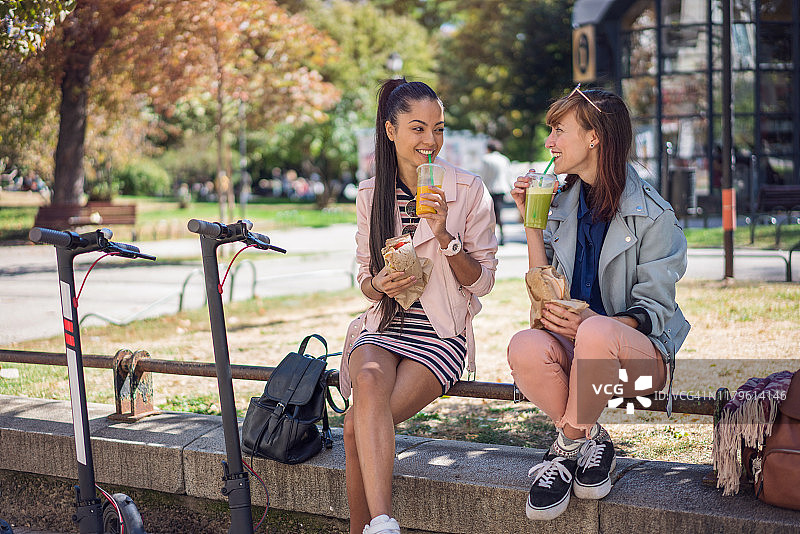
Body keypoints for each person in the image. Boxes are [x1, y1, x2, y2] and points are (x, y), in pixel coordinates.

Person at [506, 86, 690, 521]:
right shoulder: (564, 203)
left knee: (595, 330)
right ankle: (594, 441)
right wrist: (530, 218)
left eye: (558, 129)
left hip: (640, 365)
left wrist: (594, 322)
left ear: (594, 137)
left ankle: (565, 448)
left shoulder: (653, 215)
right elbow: (546, 292)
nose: (549, 141)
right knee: (523, 346)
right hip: (582, 355)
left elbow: (655, 312)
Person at [339, 78, 498, 534]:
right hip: (386, 322)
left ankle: (373, 527)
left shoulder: (466, 190)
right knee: (367, 378)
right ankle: (383, 523)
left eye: (438, 129)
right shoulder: (371, 194)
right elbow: (366, 283)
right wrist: (380, 282)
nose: (431, 141)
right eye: (417, 129)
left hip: (440, 329)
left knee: (355, 429)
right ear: (391, 132)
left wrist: (444, 234)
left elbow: (483, 282)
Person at [480, 140, 512, 245]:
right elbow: (508, 175)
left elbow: (484, 175)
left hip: (490, 189)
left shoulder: (486, 159)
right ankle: (502, 235)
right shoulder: (504, 159)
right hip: (502, 188)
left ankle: (491, 237)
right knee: (499, 212)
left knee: (490, 214)